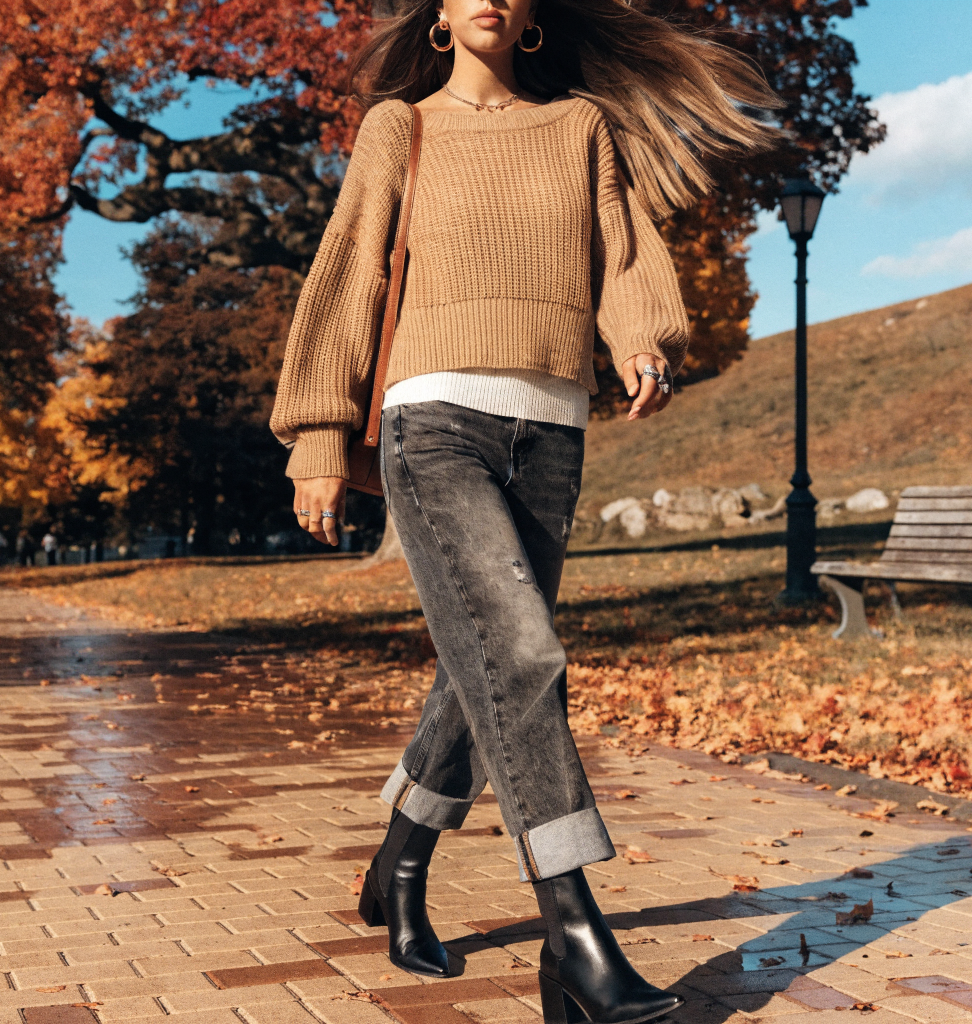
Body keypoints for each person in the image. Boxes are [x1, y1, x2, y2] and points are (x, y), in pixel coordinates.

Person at [271, 0, 778, 1018]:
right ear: (442, 15)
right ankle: (575, 933)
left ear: (533, 15)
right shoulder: (399, 127)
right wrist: (320, 437)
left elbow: (623, 251)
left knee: (484, 670)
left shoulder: (578, 126)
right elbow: (345, 277)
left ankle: (399, 866)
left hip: (551, 430)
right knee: (520, 652)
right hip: (432, 425)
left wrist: (643, 340)